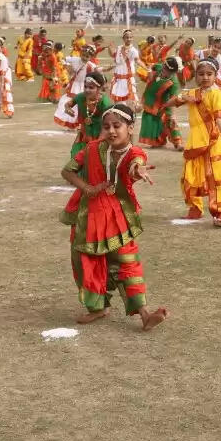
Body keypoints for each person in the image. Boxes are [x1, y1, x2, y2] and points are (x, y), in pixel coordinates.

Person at [60, 103, 169, 330]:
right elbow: (67, 170)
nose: (111, 131)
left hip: (118, 215)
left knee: (127, 262)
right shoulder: (91, 149)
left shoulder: (134, 152)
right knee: (86, 262)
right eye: (106, 126)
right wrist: (87, 188)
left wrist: (138, 170)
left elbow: (134, 164)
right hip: (88, 216)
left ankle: (145, 314)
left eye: (117, 126)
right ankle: (97, 308)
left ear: (130, 128)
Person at [177, 60, 221, 226]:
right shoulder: (193, 92)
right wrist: (178, 99)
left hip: (213, 140)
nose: (205, 77)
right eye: (201, 74)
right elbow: (175, 100)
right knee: (190, 173)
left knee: (218, 177)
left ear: (215, 76)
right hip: (195, 141)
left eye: (209, 74)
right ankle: (195, 207)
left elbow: (219, 119)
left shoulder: (216, 94)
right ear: (195, 76)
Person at [139, 56, 184, 150]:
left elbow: (174, 99)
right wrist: (149, 72)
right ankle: (158, 142)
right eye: (164, 67)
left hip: (164, 104)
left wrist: (172, 113)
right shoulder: (160, 67)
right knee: (151, 120)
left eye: (167, 70)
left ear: (173, 72)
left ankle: (178, 142)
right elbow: (152, 66)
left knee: (169, 120)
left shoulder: (174, 83)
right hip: (150, 98)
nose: (164, 70)